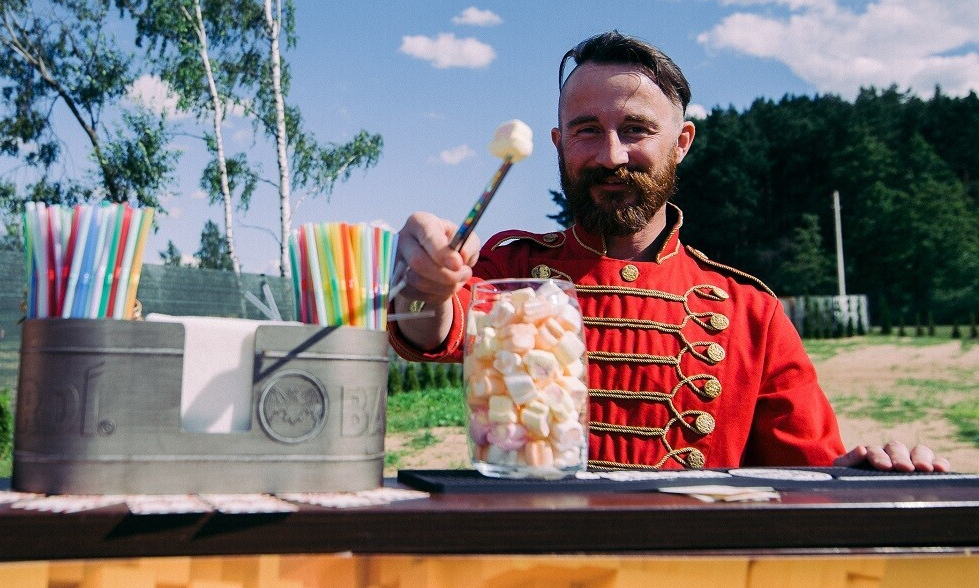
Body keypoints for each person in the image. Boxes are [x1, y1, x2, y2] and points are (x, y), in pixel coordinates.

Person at [390, 30, 948, 472]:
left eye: (636, 129)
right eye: (586, 131)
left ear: (681, 144)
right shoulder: (509, 268)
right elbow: (428, 326)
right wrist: (420, 286)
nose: (611, 155)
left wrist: (865, 472)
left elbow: (809, 476)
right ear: (558, 145)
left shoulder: (750, 312)